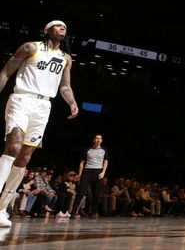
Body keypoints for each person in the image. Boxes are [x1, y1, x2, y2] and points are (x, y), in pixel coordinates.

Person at [0, 20, 79, 227]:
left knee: (25, 156)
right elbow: (6, 72)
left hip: (44, 106)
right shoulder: (30, 47)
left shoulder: (66, 58)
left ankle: (2, 207)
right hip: (22, 98)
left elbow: (65, 86)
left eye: (65, 27)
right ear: (47, 30)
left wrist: (72, 102)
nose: (63, 28)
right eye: (58, 25)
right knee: (13, 147)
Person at [72, 134, 109, 219]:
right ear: (93, 140)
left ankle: (94, 213)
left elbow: (106, 161)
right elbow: (82, 162)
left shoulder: (104, 150)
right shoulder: (88, 149)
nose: (98, 140)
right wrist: (80, 175)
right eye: (97, 138)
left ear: (101, 140)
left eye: (100, 138)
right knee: (80, 192)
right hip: (87, 171)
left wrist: (103, 172)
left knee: (96, 193)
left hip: (98, 172)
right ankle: (73, 212)